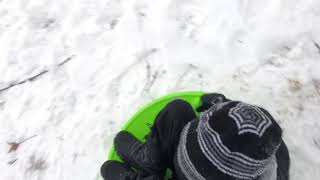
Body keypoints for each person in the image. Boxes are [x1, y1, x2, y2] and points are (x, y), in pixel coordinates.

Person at [100, 93, 290, 180]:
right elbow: (239, 122)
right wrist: (221, 104)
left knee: (108, 168)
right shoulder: (268, 147)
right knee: (177, 110)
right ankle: (152, 160)